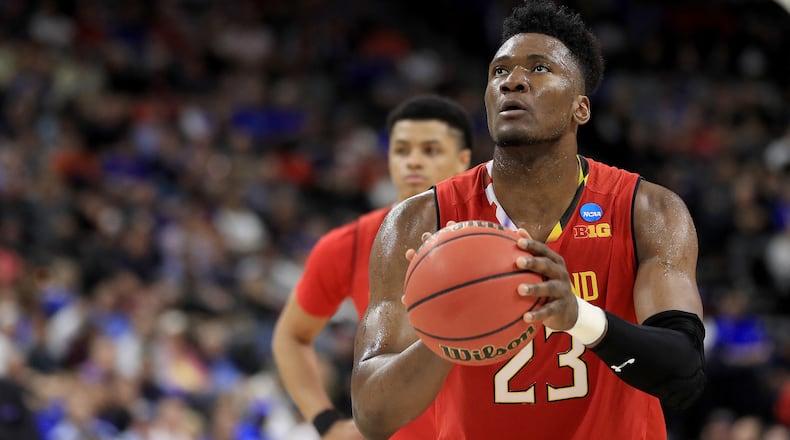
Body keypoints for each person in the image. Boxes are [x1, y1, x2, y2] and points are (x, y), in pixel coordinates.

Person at [351, 1, 706, 439]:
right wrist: (449, 330)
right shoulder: (419, 220)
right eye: (498, 72)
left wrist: (578, 317)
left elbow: (684, 373)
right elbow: (371, 414)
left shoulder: (647, 210)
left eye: (539, 69)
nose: (513, 81)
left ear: (581, 108)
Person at [272, 94, 473, 439]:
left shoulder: (494, 237)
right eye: (401, 150)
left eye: (430, 150)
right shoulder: (348, 245)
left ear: (463, 161)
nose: (413, 161)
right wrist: (326, 422)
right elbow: (290, 336)